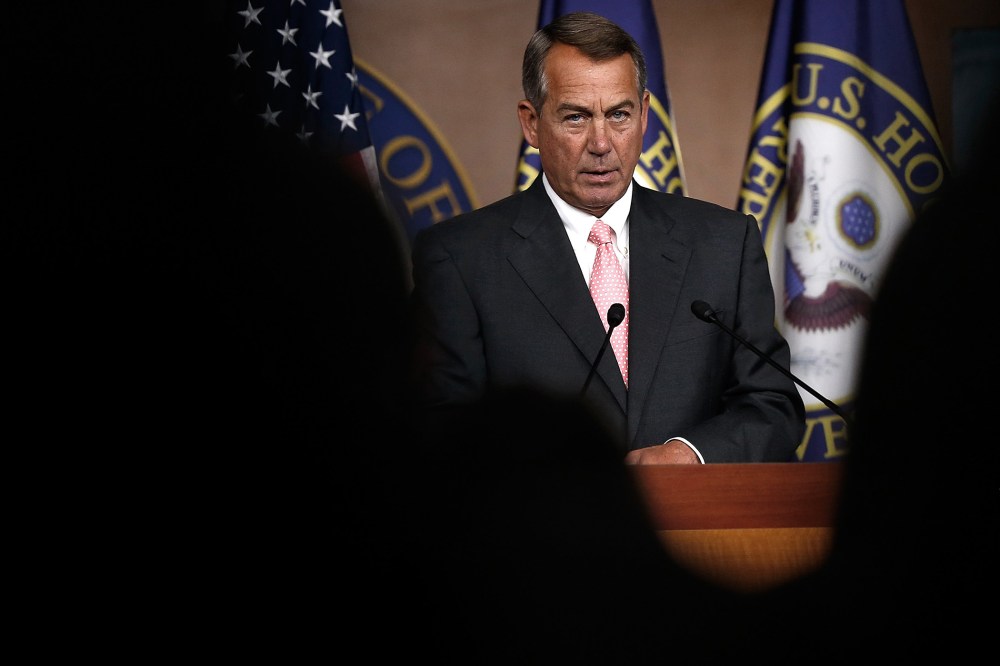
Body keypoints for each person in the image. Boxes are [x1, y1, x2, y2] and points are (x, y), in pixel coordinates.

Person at [409, 11, 805, 464]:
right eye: (576, 118)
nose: (601, 144)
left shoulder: (724, 245)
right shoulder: (460, 259)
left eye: (619, 115)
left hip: (694, 509)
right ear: (532, 123)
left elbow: (772, 405)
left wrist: (691, 454)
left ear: (644, 115)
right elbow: (441, 431)